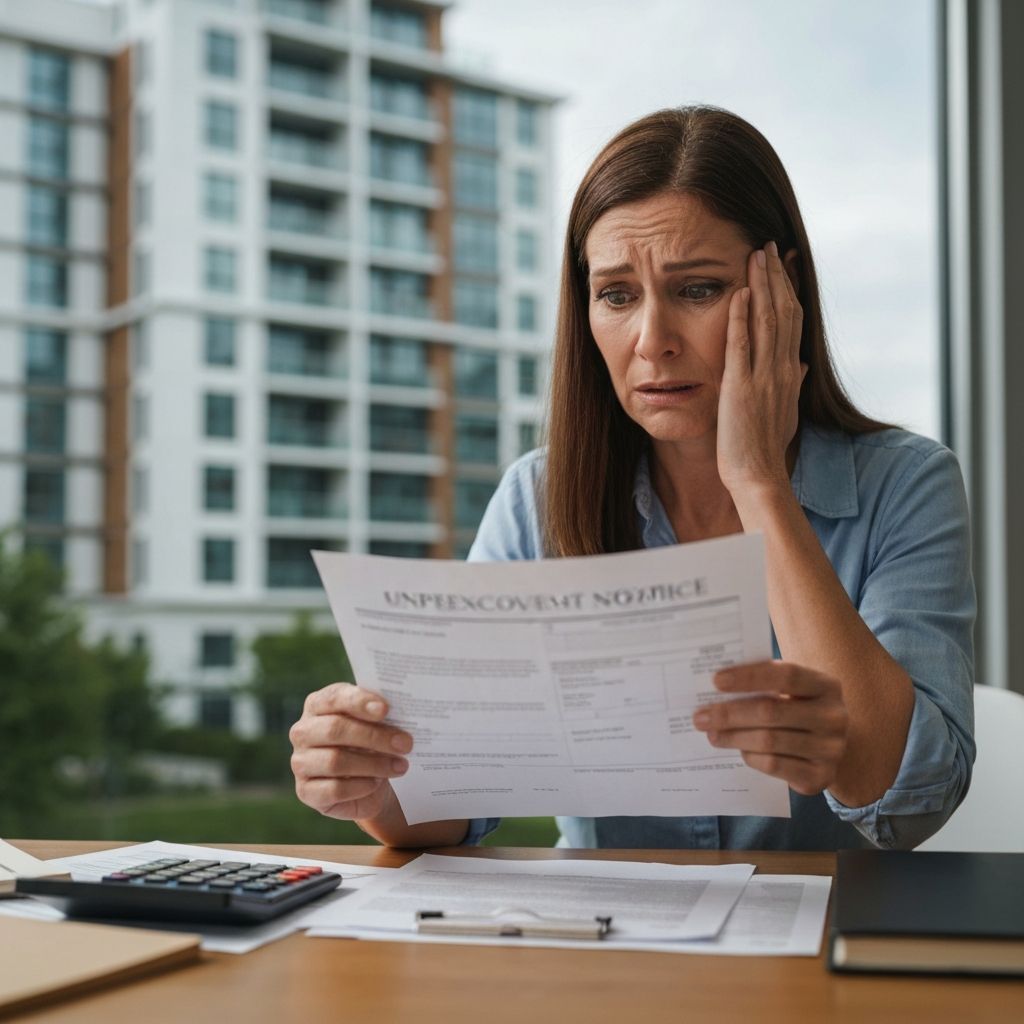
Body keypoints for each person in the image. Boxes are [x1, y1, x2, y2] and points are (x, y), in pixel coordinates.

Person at [289, 106, 975, 852]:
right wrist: (371, 781)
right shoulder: (535, 501)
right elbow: (451, 801)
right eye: (617, 295)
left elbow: (905, 803)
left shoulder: (907, 485)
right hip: (606, 950)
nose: (653, 343)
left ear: (784, 290)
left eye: (698, 289)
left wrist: (760, 487)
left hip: (816, 948)